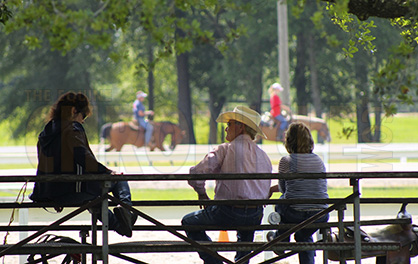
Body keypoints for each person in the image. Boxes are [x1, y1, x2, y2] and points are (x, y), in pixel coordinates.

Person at [30, 92, 137, 237]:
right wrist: (107, 172)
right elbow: (83, 157)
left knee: (94, 198)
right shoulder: (72, 127)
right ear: (74, 111)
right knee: (119, 180)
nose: (83, 121)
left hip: (47, 192)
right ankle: (127, 213)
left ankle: (121, 226)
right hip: (69, 191)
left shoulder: (46, 132)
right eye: (83, 116)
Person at [181, 106, 272, 264]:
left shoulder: (225, 149)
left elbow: (196, 173)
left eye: (229, 124)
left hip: (228, 212)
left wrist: (202, 193)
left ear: (240, 126)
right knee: (245, 235)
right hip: (255, 215)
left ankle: (215, 261)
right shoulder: (263, 156)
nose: (226, 128)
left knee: (189, 222)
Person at [267, 122, 329, 264]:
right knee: (303, 237)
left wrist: (270, 190)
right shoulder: (319, 161)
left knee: (281, 202)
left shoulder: (286, 161)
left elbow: (283, 189)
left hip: (295, 212)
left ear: (288, 141)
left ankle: (281, 240)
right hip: (320, 214)